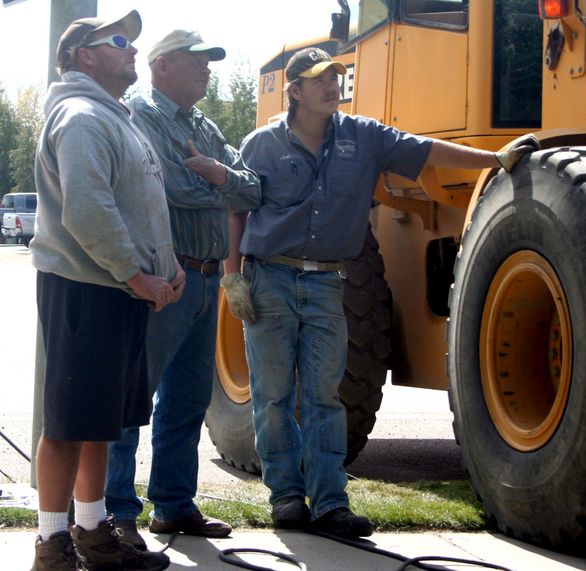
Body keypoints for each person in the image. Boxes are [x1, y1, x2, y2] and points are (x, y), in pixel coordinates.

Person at [221, 47, 536, 539]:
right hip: (270, 280)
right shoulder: (260, 145)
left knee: (326, 397)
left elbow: (426, 149)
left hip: (328, 282)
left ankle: (329, 503)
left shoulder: (364, 137)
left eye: (337, 77)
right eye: (320, 79)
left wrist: (492, 159)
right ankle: (285, 496)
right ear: (296, 90)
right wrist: (232, 275)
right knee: (273, 395)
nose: (333, 85)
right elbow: (236, 208)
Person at [30, 10, 183, 571]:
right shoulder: (80, 116)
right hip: (86, 288)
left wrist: (166, 267)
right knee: (69, 422)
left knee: (101, 421)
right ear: (83, 56)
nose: (133, 50)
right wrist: (135, 273)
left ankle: (93, 532)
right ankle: (51, 544)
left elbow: (138, 207)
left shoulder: (114, 118)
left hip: (118, 289)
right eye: (120, 41)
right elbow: (89, 210)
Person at [105, 29, 262, 549]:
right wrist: (224, 182)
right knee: (132, 401)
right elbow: (174, 188)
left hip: (206, 276)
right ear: (161, 65)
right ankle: (115, 512)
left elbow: (254, 187)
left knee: (188, 400)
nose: (208, 69)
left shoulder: (203, 124)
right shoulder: (141, 114)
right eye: (197, 60)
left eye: (210, 61)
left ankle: (172, 505)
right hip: (162, 279)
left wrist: (218, 174)